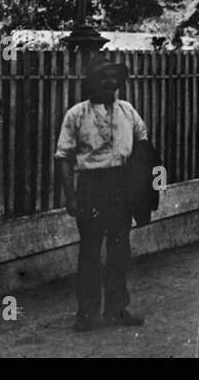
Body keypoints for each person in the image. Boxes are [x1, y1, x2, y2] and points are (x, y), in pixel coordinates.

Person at [56, 60, 148, 332]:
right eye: (104, 78)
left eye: (114, 78)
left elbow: (143, 143)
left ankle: (117, 310)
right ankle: (86, 314)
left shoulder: (128, 111)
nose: (110, 83)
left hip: (121, 185)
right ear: (92, 82)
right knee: (90, 251)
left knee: (120, 250)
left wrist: (140, 186)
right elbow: (63, 156)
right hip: (91, 187)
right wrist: (71, 198)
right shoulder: (76, 115)